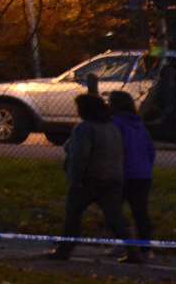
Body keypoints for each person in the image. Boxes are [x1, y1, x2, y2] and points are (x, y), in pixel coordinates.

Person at [44, 94, 130, 261]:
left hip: (90, 179)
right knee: (114, 216)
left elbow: (79, 156)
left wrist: (75, 179)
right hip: (113, 177)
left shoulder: (84, 128)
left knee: (73, 215)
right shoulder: (112, 127)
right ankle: (133, 249)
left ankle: (65, 249)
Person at [104, 91, 155, 265]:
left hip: (123, 173)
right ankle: (145, 247)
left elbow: (114, 148)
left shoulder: (115, 124)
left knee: (113, 210)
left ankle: (123, 241)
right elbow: (150, 149)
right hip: (142, 174)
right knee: (140, 211)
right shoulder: (139, 124)